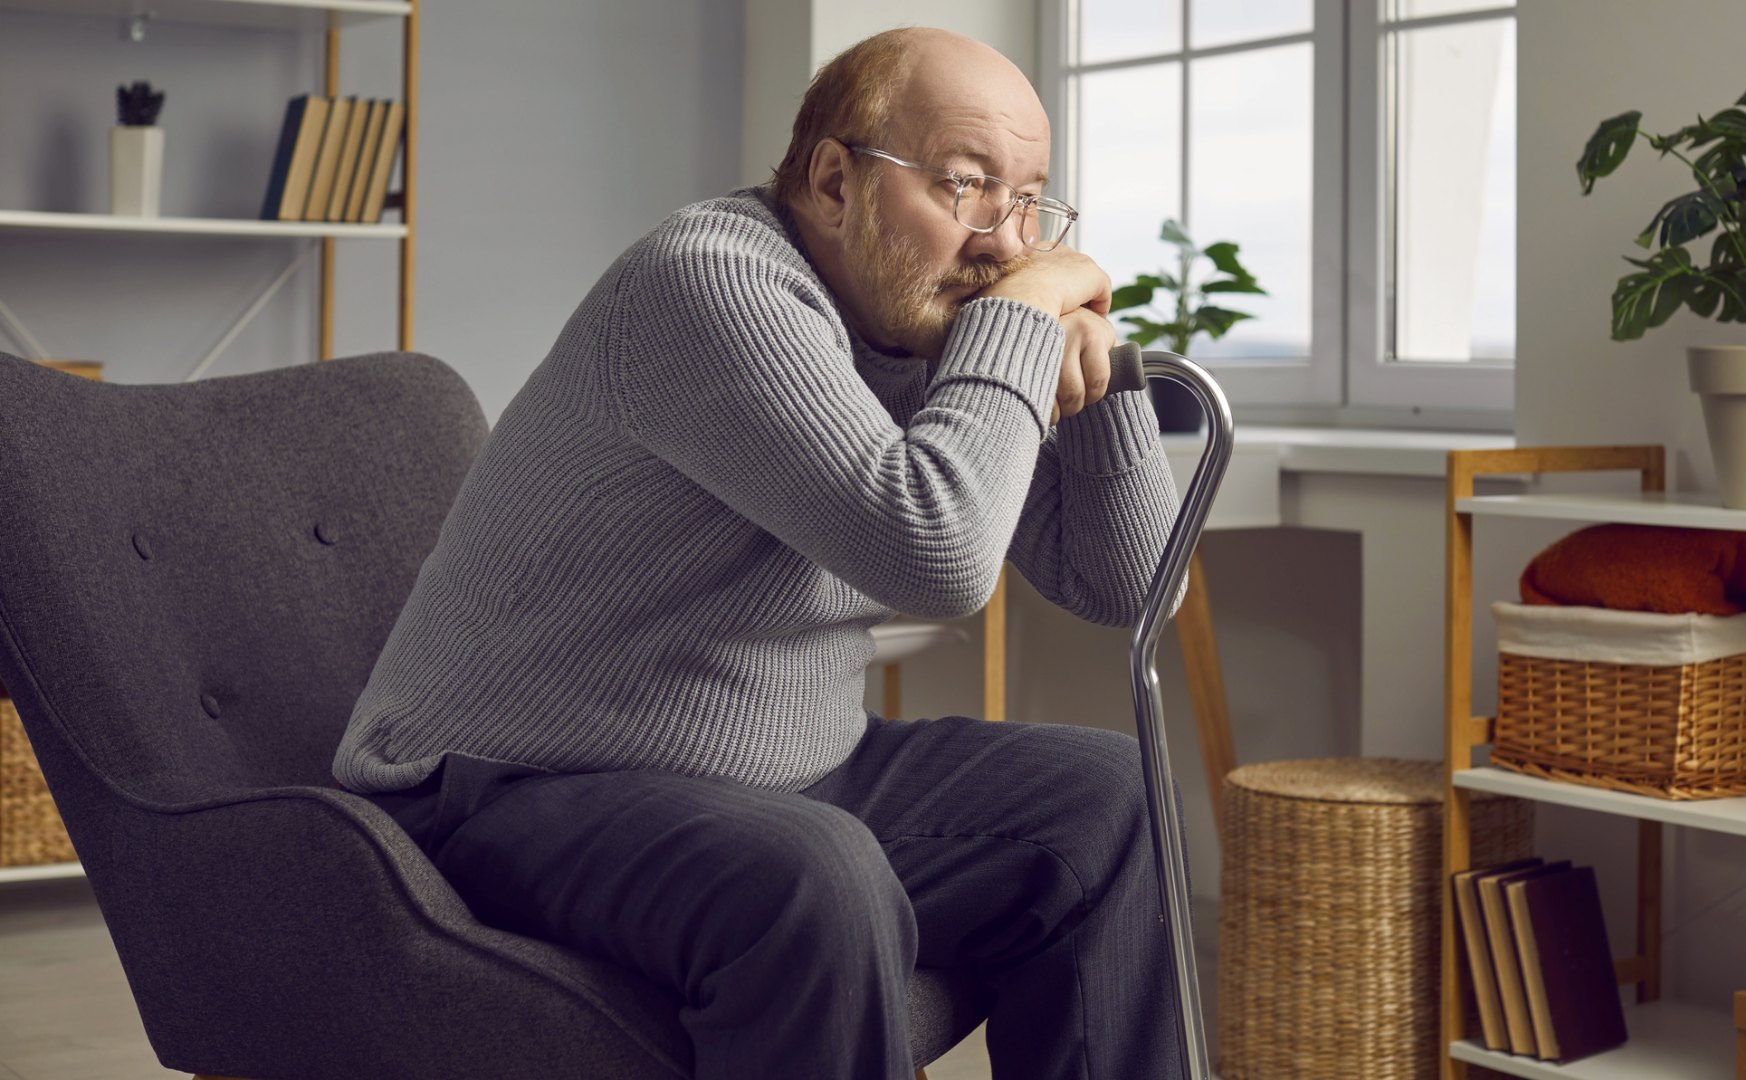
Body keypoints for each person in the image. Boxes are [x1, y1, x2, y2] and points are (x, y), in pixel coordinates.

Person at [332, 24, 1187, 1080]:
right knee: (813, 873)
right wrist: (1020, 319)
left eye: (1029, 201)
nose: (1008, 244)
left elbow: (1133, 585)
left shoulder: (930, 322)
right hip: (504, 788)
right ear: (834, 181)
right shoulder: (708, 283)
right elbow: (933, 552)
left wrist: (1099, 355)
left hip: (780, 776)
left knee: (1108, 796)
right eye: (966, 186)